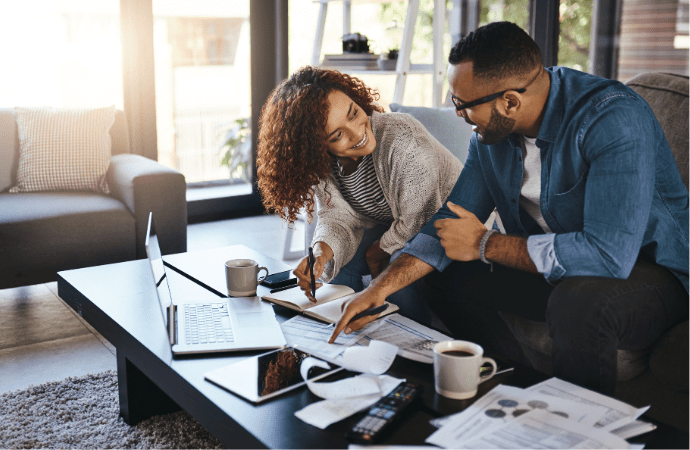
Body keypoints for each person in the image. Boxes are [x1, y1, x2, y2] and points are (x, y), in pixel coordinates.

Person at [329, 21, 689, 395]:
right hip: (556, 270)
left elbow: (609, 256)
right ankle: (510, 385)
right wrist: (378, 289)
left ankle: (580, 428)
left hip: (650, 274)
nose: (459, 115)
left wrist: (486, 244)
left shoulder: (612, 120)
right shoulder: (491, 137)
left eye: (462, 105)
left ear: (510, 102)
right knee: (438, 270)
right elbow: (449, 223)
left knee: (578, 302)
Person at [256, 66, 463, 324]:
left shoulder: (403, 139)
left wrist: (377, 253)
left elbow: (418, 220)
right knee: (340, 266)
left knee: (398, 261)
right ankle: (341, 327)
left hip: (447, 223)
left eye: (354, 113)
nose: (357, 133)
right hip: (398, 222)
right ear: (318, 148)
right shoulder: (326, 164)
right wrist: (320, 254)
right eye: (338, 135)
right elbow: (338, 217)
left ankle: (413, 340)